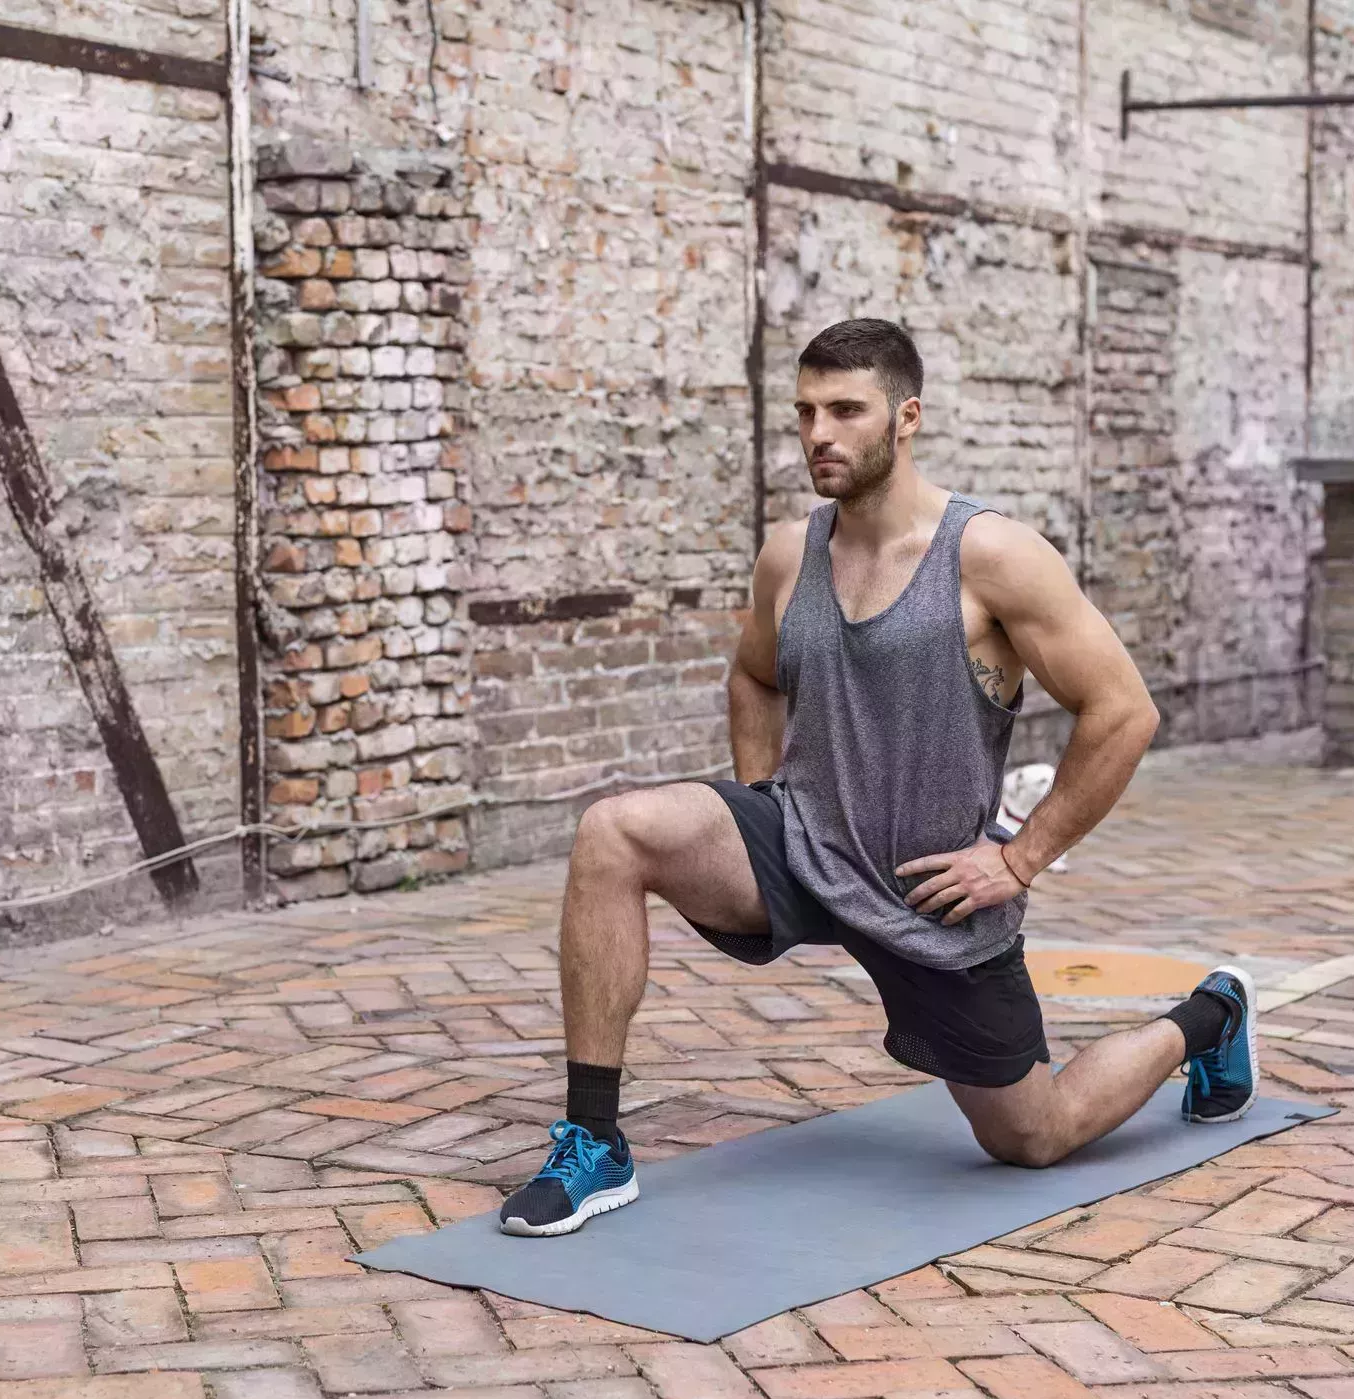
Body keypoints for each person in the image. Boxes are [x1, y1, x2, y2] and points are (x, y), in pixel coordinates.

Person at [498, 318, 1257, 1237]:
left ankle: (1208, 1018)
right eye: (805, 412)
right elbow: (752, 673)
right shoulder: (791, 553)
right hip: (805, 839)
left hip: (929, 888)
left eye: (845, 410)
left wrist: (1015, 863)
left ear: (906, 418)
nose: (818, 432)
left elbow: (1123, 711)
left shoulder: (991, 557)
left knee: (1033, 1134)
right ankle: (593, 1137)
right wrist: (761, 796)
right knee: (612, 832)